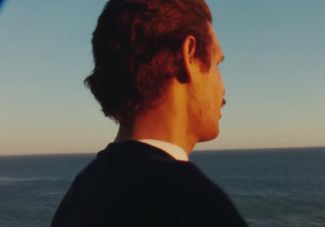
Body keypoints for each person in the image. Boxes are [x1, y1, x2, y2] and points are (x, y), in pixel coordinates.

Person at [51, 0, 248, 226]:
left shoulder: (80, 195)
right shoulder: (192, 203)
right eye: (217, 64)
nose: (223, 89)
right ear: (189, 56)